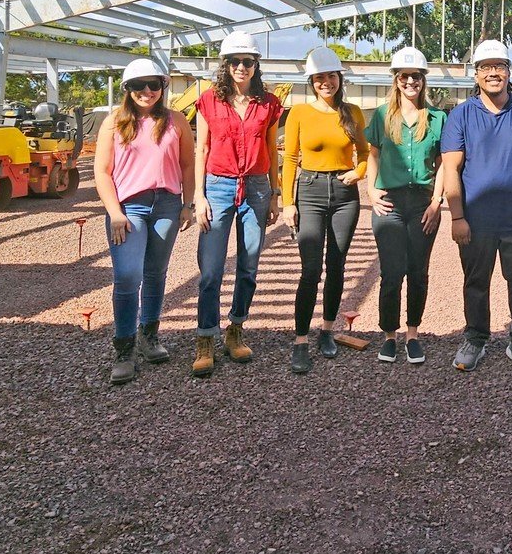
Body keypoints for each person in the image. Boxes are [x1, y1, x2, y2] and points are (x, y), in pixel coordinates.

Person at [442, 39, 512, 373]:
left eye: (499, 66)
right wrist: (457, 216)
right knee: (476, 282)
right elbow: (451, 169)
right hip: (475, 219)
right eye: (486, 67)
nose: (493, 73)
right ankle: (475, 338)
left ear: (508, 71)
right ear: (475, 75)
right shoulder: (461, 115)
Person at [92, 59, 193, 385]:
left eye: (154, 84)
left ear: (163, 87)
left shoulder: (176, 121)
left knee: (155, 273)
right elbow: (102, 172)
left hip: (166, 204)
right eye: (139, 85)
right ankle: (123, 348)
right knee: (127, 275)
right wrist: (115, 212)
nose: (147, 91)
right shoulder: (113, 123)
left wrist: (187, 203)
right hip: (128, 207)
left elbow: (188, 165)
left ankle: (149, 334)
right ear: (127, 89)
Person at [190, 31, 283, 377]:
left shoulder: (269, 104)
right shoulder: (208, 101)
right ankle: (205, 337)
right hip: (218, 186)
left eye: (248, 61)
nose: (241, 67)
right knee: (211, 268)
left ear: (256, 65)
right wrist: (198, 196)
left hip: (257, 189)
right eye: (235, 61)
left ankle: (236, 328)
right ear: (225, 65)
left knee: (249, 265)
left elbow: (273, 151)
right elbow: (201, 149)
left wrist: (275, 193)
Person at [282, 46, 368, 375]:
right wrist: (288, 203)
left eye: (330, 75)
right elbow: (290, 159)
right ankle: (301, 340)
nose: (325, 82)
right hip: (311, 190)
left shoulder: (354, 112)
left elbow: (364, 152)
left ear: (339, 78)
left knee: (337, 265)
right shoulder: (300, 113)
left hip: (345, 195)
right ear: (311, 81)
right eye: (319, 77)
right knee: (310, 268)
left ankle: (327, 330)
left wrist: (358, 173)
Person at [364, 46, 446, 364]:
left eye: (416, 76)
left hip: (423, 201)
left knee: (418, 271)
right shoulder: (383, 116)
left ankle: (412, 334)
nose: (410, 81)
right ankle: (389, 335)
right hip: (390, 201)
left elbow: (442, 164)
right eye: (404, 76)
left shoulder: (437, 118)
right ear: (396, 80)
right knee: (391, 272)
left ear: (423, 81)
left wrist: (436, 202)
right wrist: (371, 190)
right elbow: (372, 155)